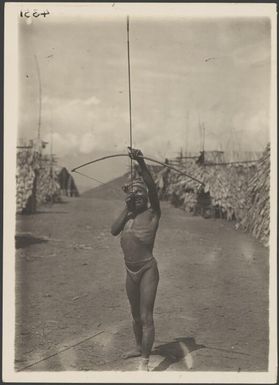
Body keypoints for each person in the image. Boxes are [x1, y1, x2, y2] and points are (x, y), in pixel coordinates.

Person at [111, 147, 161, 371]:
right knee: (134, 314)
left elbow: (151, 185)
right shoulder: (128, 215)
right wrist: (126, 207)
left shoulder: (153, 213)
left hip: (147, 270)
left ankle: (145, 362)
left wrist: (140, 161)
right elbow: (113, 230)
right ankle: (139, 347)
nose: (139, 198)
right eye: (134, 196)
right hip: (129, 270)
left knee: (145, 315)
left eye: (142, 195)